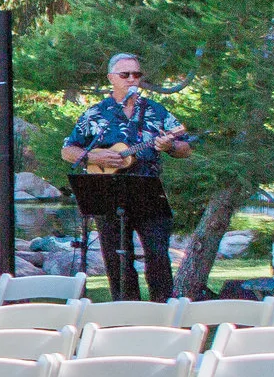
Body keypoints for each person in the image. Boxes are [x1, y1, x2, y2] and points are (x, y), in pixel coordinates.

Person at [61, 51, 192, 301]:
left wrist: (170, 147)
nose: (132, 79)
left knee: (157, 255)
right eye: (125, 74)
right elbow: (68, 149)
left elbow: (185, 147)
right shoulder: (97, 114)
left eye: (137, 74)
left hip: (148, 191)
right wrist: (94, 157)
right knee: (117, 258)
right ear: (111, 78)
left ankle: (163, 312)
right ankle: (125, 313)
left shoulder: (156, 111)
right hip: (107, 192)